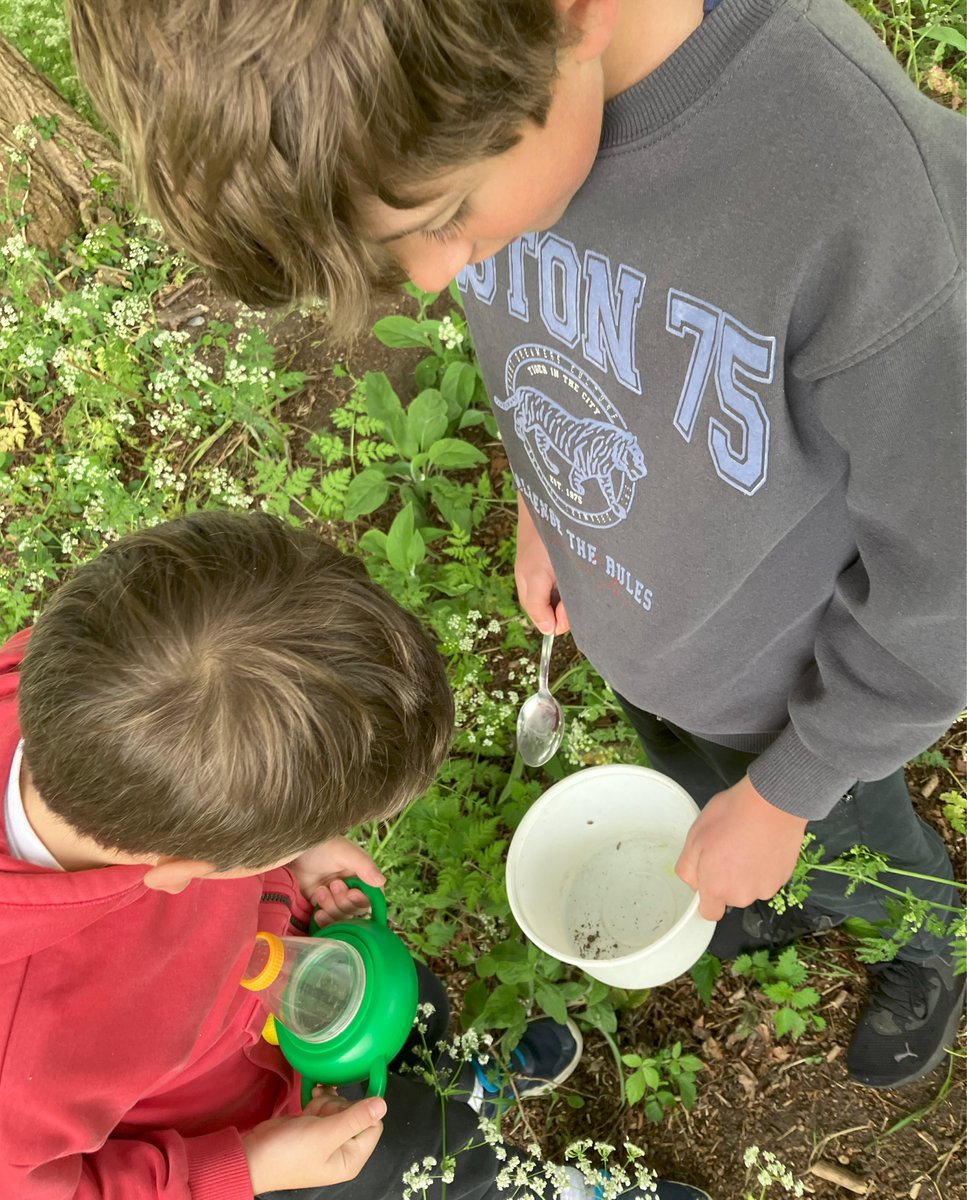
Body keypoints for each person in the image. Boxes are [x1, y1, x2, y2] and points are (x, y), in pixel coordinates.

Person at [63, 0, 965, 1090]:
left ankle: (925, 942)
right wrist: (544, 496)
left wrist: (788, 791)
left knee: (845, 839)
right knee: (703, 796)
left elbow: (947, 580)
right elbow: (547, 346)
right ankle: (766, 873)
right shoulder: (456, 112)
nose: (441, 276)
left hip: (798, 683)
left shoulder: (863, 193)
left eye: (443, 219)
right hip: (656, 643)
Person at [0, 510, 710, 1200]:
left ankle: (458, 1083)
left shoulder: (103, 658)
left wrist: (292, 847)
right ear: (186, 871)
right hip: (264, 1130)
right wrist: (241, 1171)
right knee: (427, 1170)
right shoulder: (19, 1054)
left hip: (303, 989)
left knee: (419, 1010)